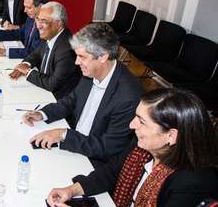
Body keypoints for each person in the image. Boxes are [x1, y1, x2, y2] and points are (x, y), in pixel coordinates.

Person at [46, 88, 218, 207]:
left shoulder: (193, 183)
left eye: (141, 121)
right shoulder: (142, 147)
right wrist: (72, 190)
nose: (131, 125)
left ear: (171, 136)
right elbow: (111, 172)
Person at [23, 23, 143, 166]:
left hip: (92, 161)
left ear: (103, 56)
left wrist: (64, 135)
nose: (76, 62)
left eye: (82, 56)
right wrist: (42, 114)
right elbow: (71, 101)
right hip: (74, 145)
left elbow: (107, 147)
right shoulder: (91, 72)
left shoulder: (128, 96)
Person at [10, 1, 81, 99]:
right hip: (43, 90)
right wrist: (25, 64)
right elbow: (36, 54)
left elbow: (52, 84)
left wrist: (27, 71)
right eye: (38, 19)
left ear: (58, 24)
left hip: (55, 100)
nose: (38, 26)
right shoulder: (51, 34)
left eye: (43, 21)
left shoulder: (66, 49)